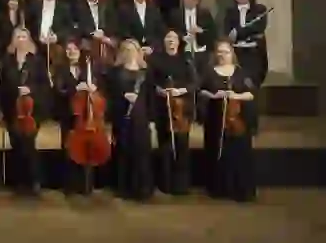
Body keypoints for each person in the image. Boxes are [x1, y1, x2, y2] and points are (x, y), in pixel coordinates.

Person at [199, 39, 258, 202]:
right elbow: (201, 91)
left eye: (225, 52)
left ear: (232, 53)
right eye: (219, 52)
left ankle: (240, 188)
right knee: (217, 151)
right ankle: (219, 187)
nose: (222, 55)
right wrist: (213, 95)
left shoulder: (241, 73)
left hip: (237, 119)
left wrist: (235, 96)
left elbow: (251, 94)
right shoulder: (209, 72)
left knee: (238, 151)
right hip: (216, 120)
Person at [0, 26, 47, 195]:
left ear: (29, 40)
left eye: (24, 37)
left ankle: (34, 181)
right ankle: (18, 182)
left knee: (29, 144)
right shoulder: (7, 61)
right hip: (13, 109)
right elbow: (3, 86)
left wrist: (30, 90)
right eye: (18, 36)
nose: (21, 40)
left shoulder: (37, 61)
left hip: (32, 111)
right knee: (16, 144)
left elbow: (44, 86)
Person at [149, 29, 196, 196]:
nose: (170, 40)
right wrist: (159, 90)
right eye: (167, 37)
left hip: (182, 108)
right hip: (163, 107)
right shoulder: (156, 60)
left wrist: (181, 90)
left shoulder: (186, 60)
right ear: (163, 41)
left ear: (178, 42)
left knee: (182, 145)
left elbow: (194, 83)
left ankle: (181, 185)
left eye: (174, 38)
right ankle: (165, 183)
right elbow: (151, 81)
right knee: (164, 145)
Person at [109, 39, 154, 200]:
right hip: (122, 115)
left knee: (141, 152)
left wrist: (152, 119)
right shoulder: (115, 71)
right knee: (123, 150)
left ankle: (141, 188)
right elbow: (110, 95)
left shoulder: (146, 72)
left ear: (138, 51)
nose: (129, 52)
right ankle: (124, 188)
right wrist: (123, 96)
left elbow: (151, 97)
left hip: (141, 116)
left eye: (132, 49)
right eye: (126, 49)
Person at [53, 39, 98, 194]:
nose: (71, 51)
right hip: (68, 114)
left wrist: (93, 87)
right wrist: (76, 88)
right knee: (69, 148)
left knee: (87, 149)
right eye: (68, 49)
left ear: (79, 52)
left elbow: (98, 87)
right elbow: (60, 91)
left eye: (74, 49)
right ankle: (70, 186)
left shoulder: (87, 69)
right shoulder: (60, 70)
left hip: (85, 115)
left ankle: (86, 184)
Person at [223, 0, 269, 87]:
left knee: (252, 82)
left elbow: (258, 28)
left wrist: (238, 32)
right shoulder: (230, 12)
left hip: (254, 52)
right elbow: (227, 31)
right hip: (237, 52)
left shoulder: (259, 9)